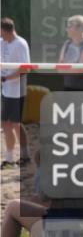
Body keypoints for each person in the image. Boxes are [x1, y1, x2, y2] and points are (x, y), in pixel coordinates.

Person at [1, 18, 30, 169]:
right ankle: (16, 157)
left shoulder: (20, 44)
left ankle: (18, 157)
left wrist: (6, 78)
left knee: (13, 124)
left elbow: (25, 69)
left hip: (17, 90)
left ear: (6, 30)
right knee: (9, 124)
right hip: (6, 90)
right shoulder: (2, 42)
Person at [58, 15, 83, 91]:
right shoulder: (67, 44)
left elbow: (81, 69)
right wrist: (66, 69)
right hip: (68, 87)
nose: (67, 29)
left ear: (79, 29)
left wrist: (65, 69)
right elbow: (59, 68)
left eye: (70, 26)